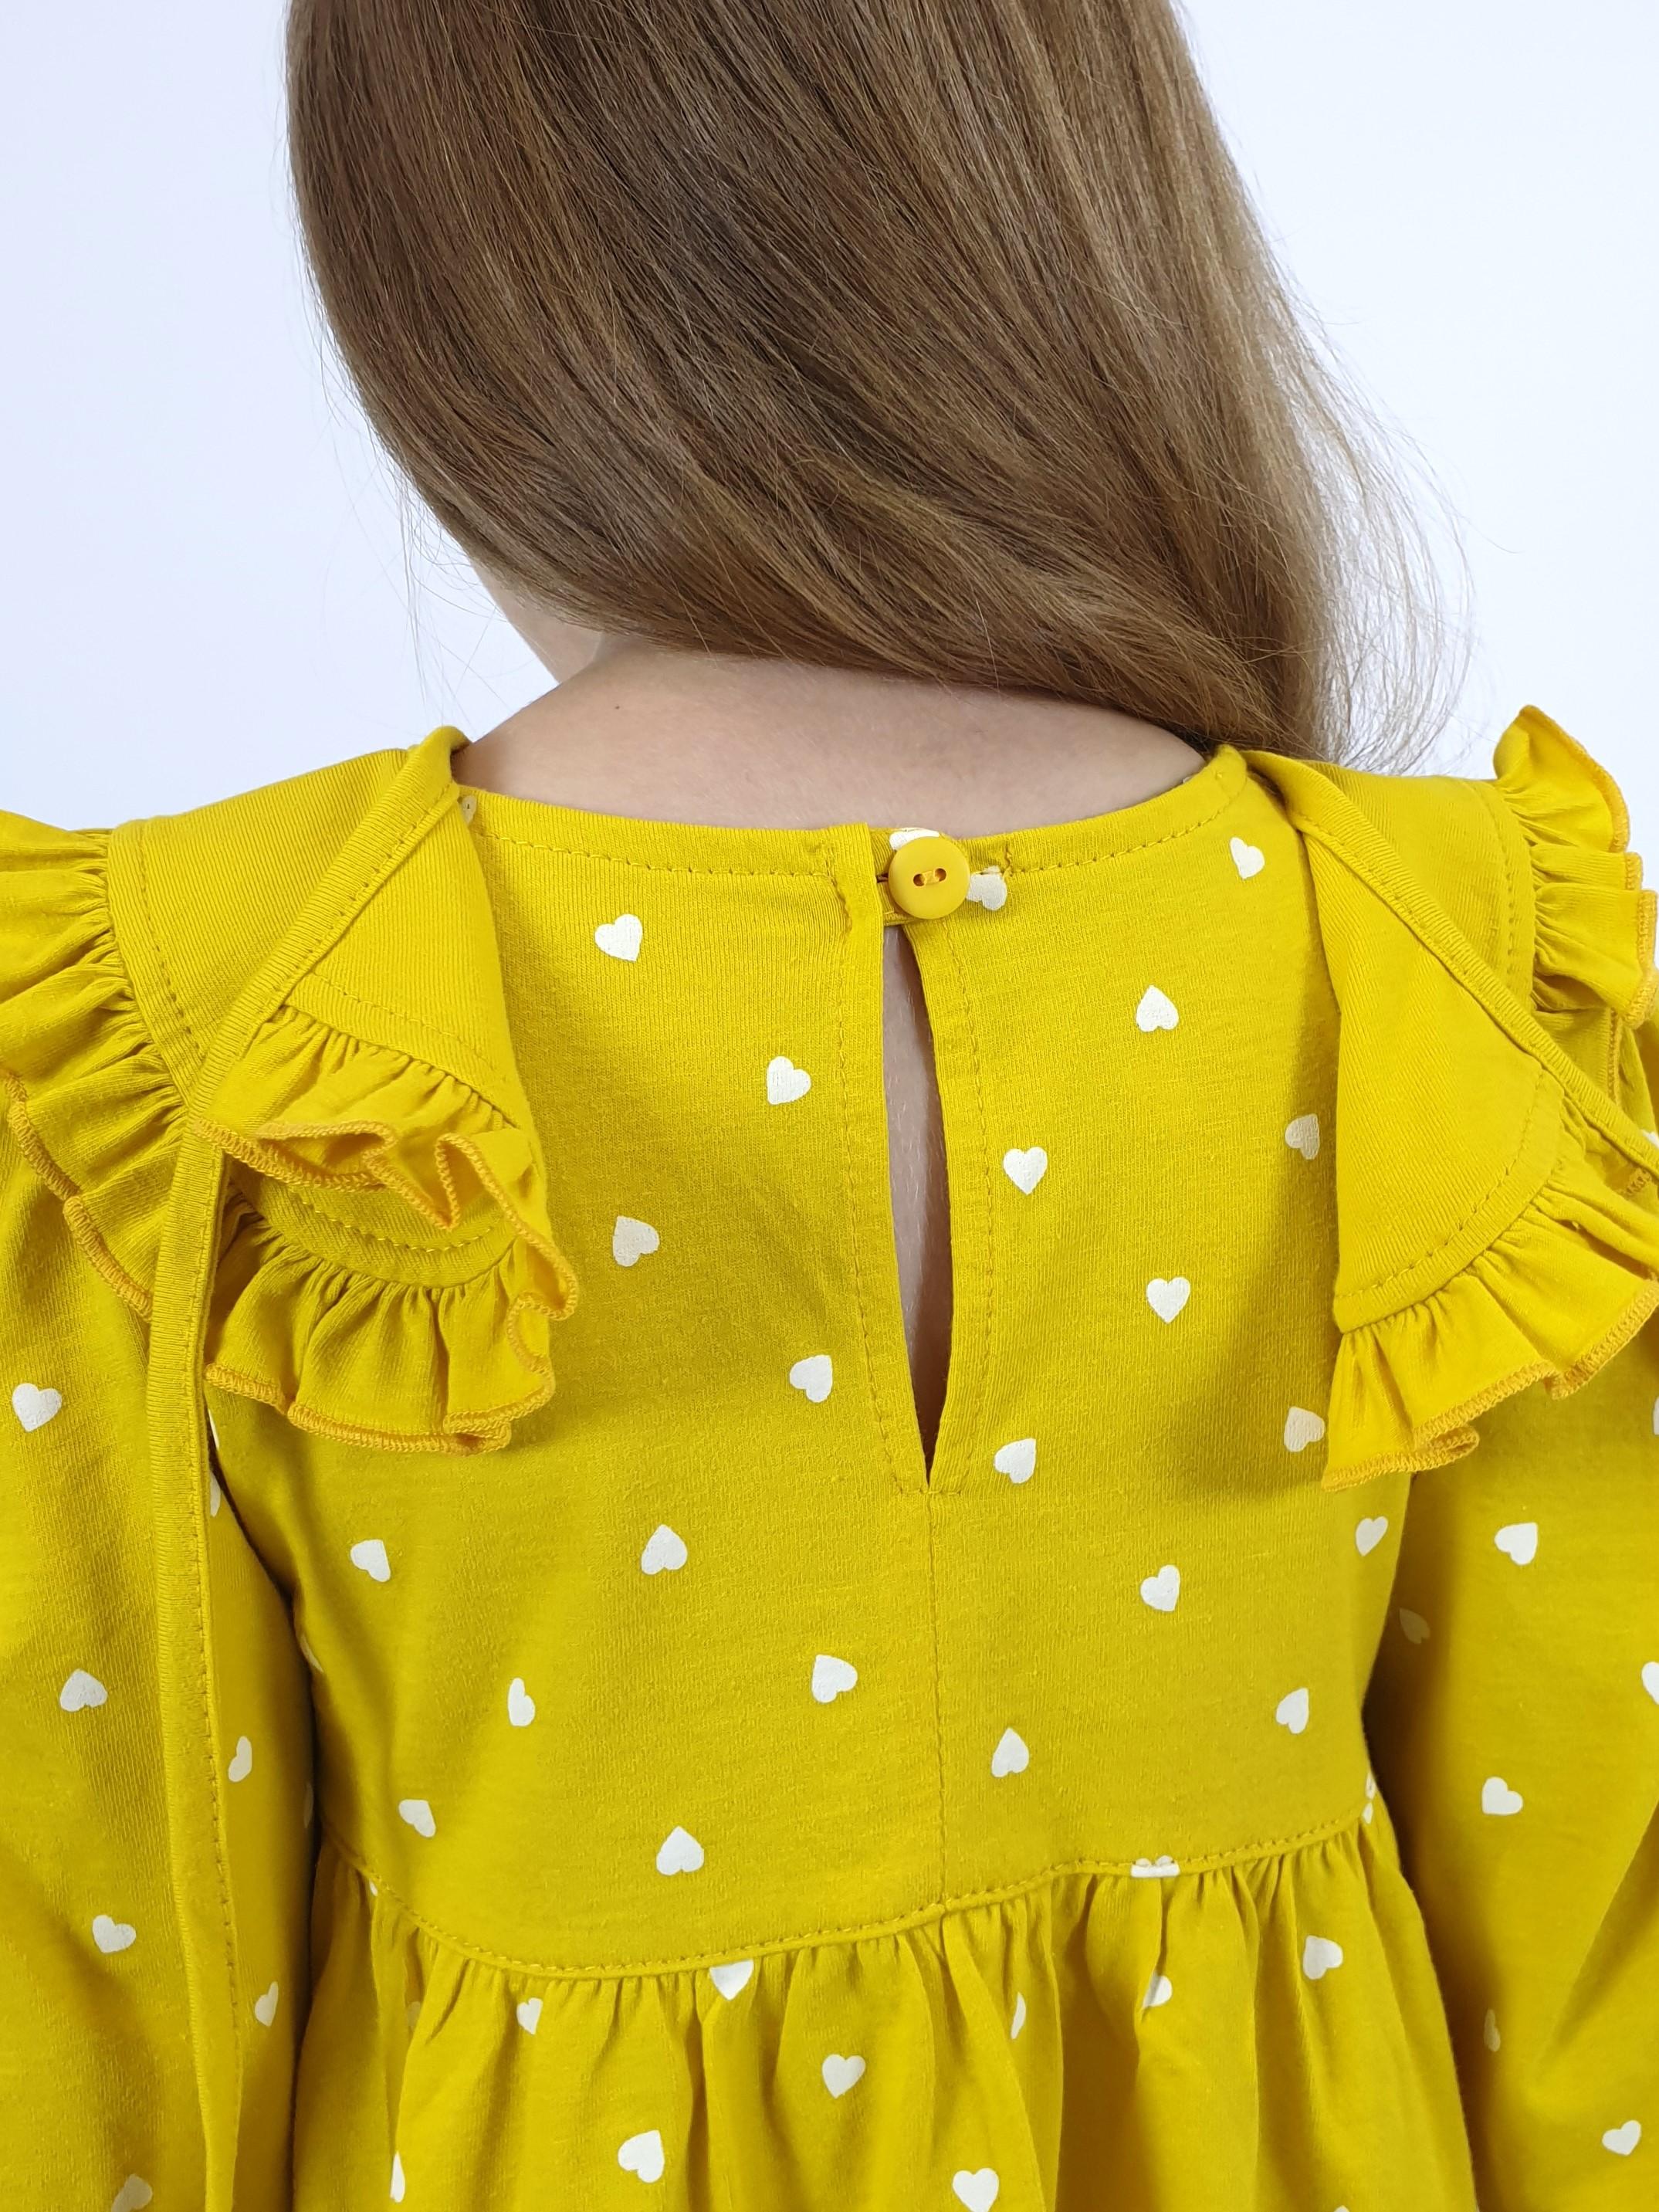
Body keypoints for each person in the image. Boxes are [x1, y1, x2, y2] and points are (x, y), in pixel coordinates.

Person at [2, 1, 1654, 2205]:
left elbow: (110, 1983)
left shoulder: (218, 1027)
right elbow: (1594, 1944)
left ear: (441, 296)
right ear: (1078, 215)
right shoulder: (1446, 972)